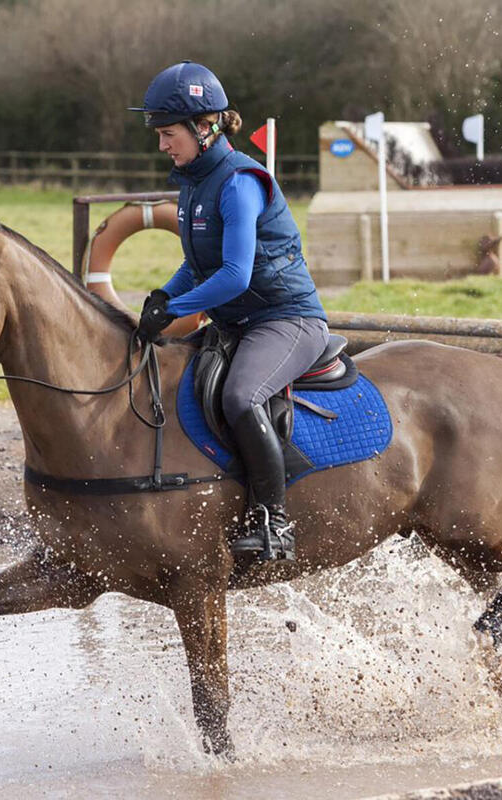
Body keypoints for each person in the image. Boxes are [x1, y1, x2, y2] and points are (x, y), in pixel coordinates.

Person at [130, 61, 328, 562]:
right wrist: (162, 296)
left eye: (168, 133)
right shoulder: (194, 181)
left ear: (204, 127)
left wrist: (175, 308)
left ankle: (273, 522)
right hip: (237, 322)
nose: (162, 145)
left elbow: (235, 274)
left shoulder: (239, 181)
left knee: (241, 396)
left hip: (286, 319)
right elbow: (197, 263)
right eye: (159, 134)